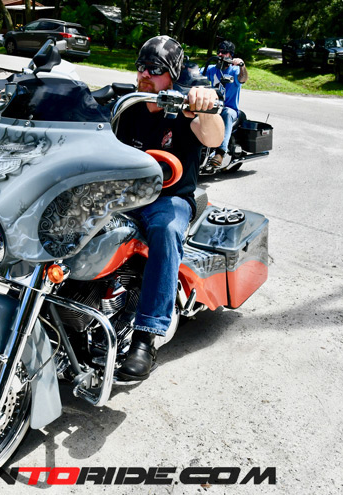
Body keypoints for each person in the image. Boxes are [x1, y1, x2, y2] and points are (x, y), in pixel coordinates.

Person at [114, 35, 225, 380]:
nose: (145, 74)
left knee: (166, 229)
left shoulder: (185, 109)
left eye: (155, 69)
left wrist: (206, 107)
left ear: (173, 75)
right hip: (123, 195)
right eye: (141, 67)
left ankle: (145, 337)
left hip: (168, 198)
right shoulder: (129, 106)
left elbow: (214, 136)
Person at [202, 40, 248, 168]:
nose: (220, 55)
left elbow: (243, 78)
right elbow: (195, 75)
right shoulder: (212, 69)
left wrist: (242, 65)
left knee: (227, 113)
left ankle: (220, 152)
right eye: (219, 52)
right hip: (212, 106)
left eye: (224, 52)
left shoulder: (235, 71)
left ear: (231, 55)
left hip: (229, 108)